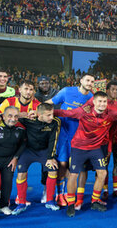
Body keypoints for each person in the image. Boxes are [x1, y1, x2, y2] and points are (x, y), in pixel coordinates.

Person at [53, 91, 117, 217]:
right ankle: (70, 204)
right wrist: (43, 113)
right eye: (99, 101)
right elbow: (63, 113)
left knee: (103, 173)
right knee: (73, 175)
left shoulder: (111, 114)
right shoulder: (83, 111)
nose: (102, 104)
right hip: (79, 148)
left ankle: (94, 200)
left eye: (104, 102)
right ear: (94, 102)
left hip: (95, 149)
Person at [46, 73, 94, 207]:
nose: (90, 83)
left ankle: (67, 193)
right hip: (62, 135)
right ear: (81, 80)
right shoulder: (67, 91)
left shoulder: (91, 98)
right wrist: (38, 110)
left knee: (74, 167)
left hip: (79, 137)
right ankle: (59, 194)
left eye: (92, 81)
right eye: (88, 80)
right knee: (62, 165)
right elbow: (50, 103)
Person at [12, 103, 61, 215]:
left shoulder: (55, 122)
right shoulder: (28, 120)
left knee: (53, 170)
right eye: (48, 115)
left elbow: (53, 140)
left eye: (52, 114)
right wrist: (24, 114)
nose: (51, 117)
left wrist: (50, 157)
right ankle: (21, 203)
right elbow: (12, 115)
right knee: (20, 175)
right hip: (28, 151)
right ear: (39, 114)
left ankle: (50, 200)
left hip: (44, 152)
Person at [0, 106, 26, 215]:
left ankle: (3, 206)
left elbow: (23, 144)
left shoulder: (20, 130)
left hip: (9, 161)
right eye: (10, 116)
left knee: (7, 183)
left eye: (16, 116)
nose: (13, 119)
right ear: (3, 117)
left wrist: (15, 157)